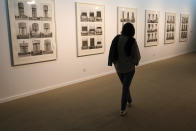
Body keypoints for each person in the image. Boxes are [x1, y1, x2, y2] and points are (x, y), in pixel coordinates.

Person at [108, 23, 141, 116]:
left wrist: (115, 63)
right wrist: (135, 63)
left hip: (118, 68)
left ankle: (129, 100)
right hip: (129, 69)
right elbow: (137, 56)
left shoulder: (116, 38)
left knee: (125, 86)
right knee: (125, 87)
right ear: (132, 31)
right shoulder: (132, 41)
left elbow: (112, 53)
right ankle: (122, 109)